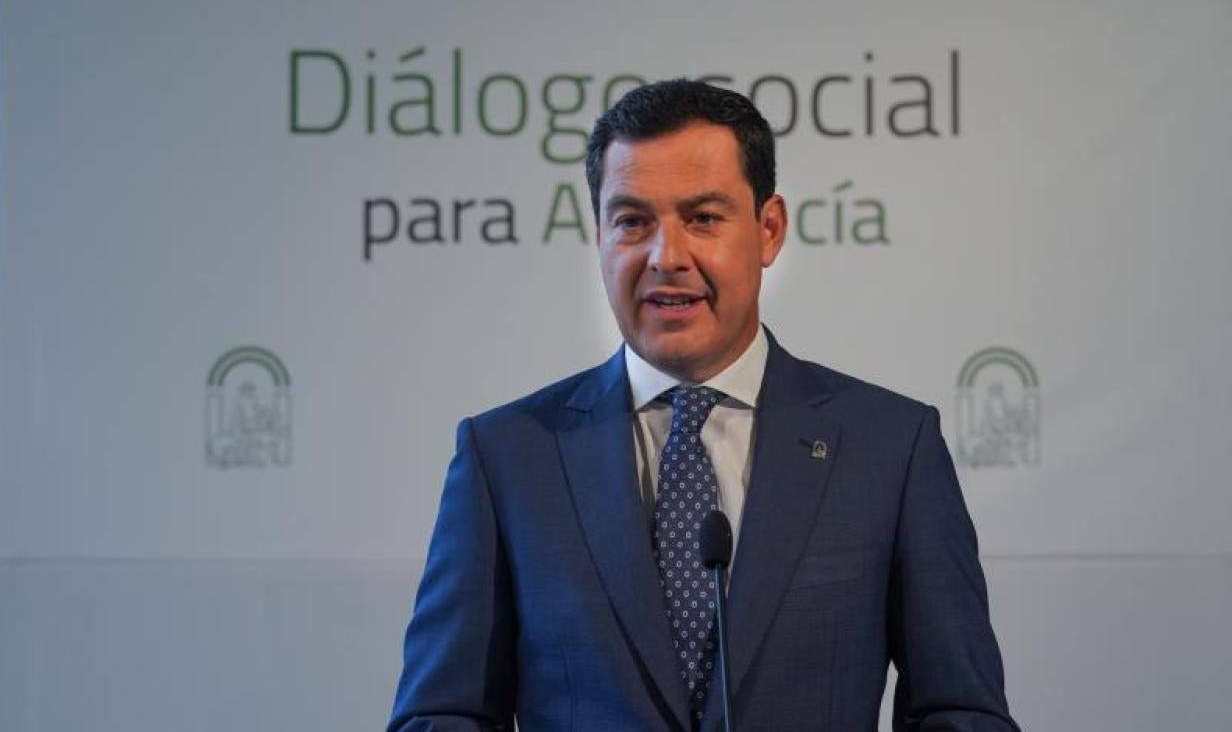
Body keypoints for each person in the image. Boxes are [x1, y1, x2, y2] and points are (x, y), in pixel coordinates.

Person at [386, 79, 1020, 731]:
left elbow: (960, 711)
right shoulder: (508, 458)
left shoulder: (889, 448)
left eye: (703, 219)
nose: (667, 257)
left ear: (768, 229)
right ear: (599, 234)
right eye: (632, 221)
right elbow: (443, 715)